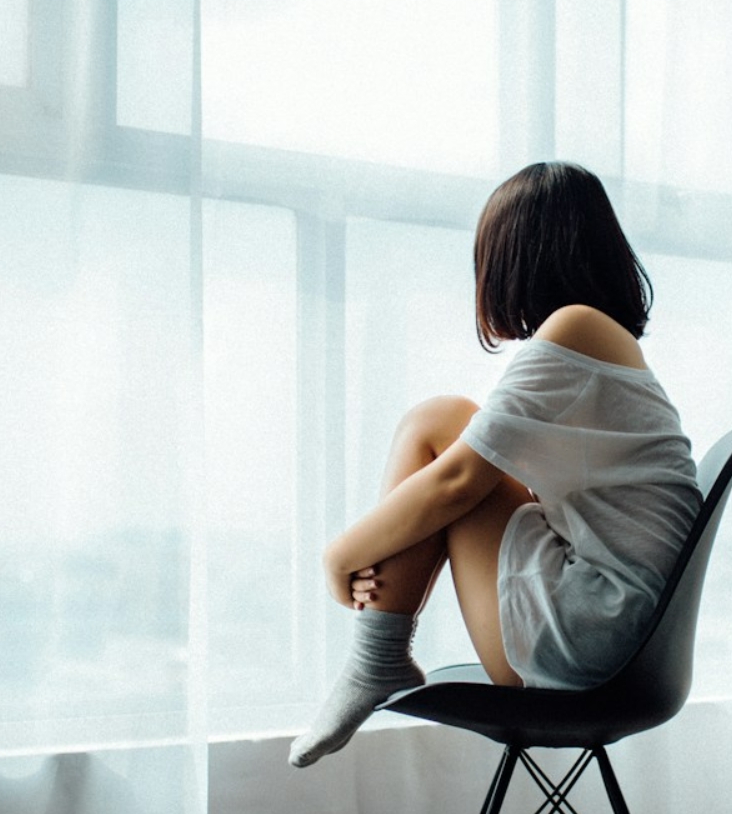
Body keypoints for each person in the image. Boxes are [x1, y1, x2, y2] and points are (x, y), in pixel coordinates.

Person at [289, 162, 701, 768]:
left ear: (516, 258)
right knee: (448, 423)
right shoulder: (603, 342)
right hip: (618, 636)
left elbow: (459, 482)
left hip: (590, 641)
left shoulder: (576, 328)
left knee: (437, 426)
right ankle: (377, 657)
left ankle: (375, 658)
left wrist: (339, 555)